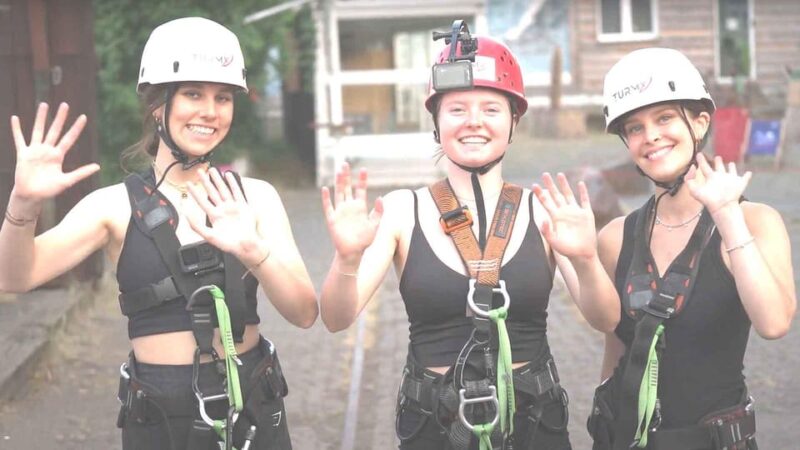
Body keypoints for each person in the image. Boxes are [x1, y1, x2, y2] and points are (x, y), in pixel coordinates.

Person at [0, 17, 318, 450]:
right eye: (192, 94)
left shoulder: (255, 198)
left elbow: (304, 312)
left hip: (253, 407)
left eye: (222, 97)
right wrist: (24, 203)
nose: (210, 110)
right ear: (157, 105)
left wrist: (254, 252)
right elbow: (14, 278)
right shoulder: (113, 206)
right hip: (160, 419)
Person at [319, 21, 619, 450]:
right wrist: (346, 260)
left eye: (491, 109)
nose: (473, 122)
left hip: (533, 427)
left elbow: (606, 320)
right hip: (436, 428)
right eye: (457, 109)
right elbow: (336, 319)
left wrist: (587, 261)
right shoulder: (402, 211)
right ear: (436, 122)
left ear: (514, 121)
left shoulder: (545, 210)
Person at [585, 47, 796, 450]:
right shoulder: (615, 236)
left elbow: (774, 323)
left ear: (699, 123)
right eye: (634, 127)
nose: (651, 136)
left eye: (665, 117)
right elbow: (618, 347)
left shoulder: (756, 221)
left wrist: (726, 215)